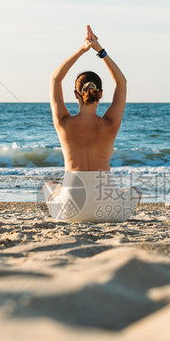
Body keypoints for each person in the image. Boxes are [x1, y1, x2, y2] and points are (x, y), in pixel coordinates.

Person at [43, 25, 141, 222]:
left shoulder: (63, 123)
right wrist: (99, 50)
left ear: (76, 95)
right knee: (135, 191)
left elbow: (55, 78)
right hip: (107, 210)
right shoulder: (110, 124)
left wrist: (82, 49)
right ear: (101, 94)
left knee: (50, 184)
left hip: (70, 211)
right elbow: (121, 82)